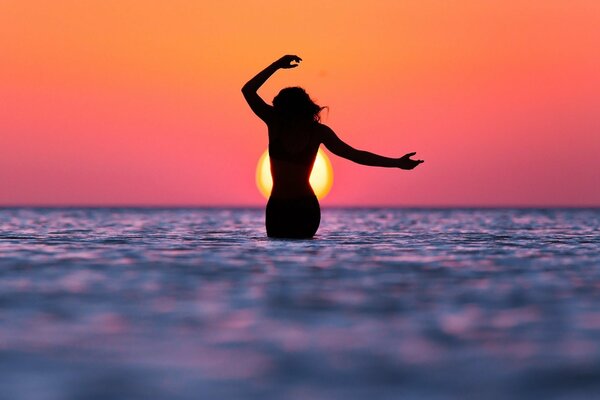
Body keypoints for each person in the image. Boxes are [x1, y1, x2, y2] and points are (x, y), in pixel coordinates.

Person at [242, 55, 424, 239]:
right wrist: (276, 65)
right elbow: (247, 90)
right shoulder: (275, 123)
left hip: (305, 207)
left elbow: (354, 154)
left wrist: (397, 163)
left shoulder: (317, 132)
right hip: (277, 207)